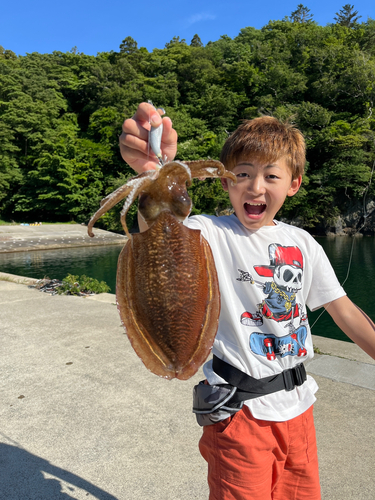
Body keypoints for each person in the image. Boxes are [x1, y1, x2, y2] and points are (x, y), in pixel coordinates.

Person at [119, 102, 375, 500]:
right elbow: (161, 231)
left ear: (294, 183)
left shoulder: (302, 243)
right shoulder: (209, 232)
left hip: (299, 406)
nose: (256, 187)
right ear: (224, 182)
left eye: (271, 175)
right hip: (239, 414)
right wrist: (154, 174)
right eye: (242, 175)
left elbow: (342, 310)